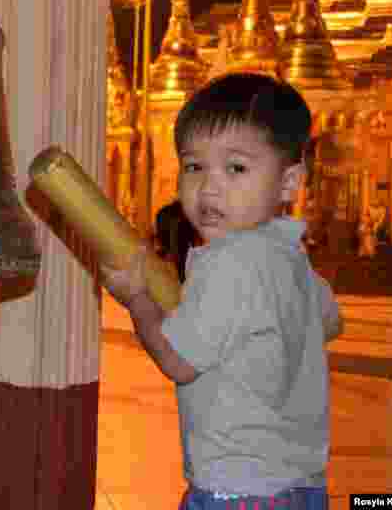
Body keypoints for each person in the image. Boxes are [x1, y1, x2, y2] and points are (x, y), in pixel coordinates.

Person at [100, 73, 343, 508]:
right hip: (301, 487)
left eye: (236, 168)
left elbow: (178, 361)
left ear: (289, 183)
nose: (209, 186)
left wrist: (137, 297)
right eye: (194, 166)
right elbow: (328, 320)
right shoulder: (291, 257)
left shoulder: (231, 262)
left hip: (236, 491)